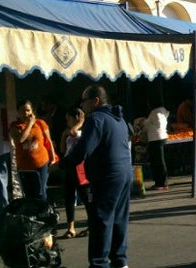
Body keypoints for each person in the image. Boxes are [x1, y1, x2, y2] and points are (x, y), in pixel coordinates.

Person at [59, 85, 133, 268]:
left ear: (95, 101)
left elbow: (83, 150)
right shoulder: (119, 118)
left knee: (101, 219)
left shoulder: (96, 119)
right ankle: (120, 261)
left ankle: (99, 263)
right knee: (118, 218)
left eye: (84, 101)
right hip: (124, 172)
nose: (82, 106)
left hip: (106, 175)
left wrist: (62, 164)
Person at [9, 100, 56, 202]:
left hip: (41, 163)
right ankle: (32, 215)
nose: (25, 113)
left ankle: (44, 214)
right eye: (22, 111)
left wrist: (52, 158)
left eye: (28, 110)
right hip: (24, 166)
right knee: (28, 193)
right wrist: (30, 124)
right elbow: (20, 139)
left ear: (32, 111)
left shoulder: (40, 123)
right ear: (18, 112)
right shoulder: (14, 126)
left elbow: (48, 141)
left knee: (41, 191)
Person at [59, 107, 90, 239]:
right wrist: (63, 135)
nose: (67, 122)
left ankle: (91, 224)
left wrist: (80, 122)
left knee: (85, 196)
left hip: (81, 167)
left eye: (69, 119)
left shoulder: (82, 131)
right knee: (69, 197)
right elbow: (62, 149)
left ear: (77, 117)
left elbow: (72, 132)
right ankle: (70, 227)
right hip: (69, 165)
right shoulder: (69, 132)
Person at [144, 99, 170, 191]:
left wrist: (145, 123)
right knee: (159, 161)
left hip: (156, 138)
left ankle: (161, 183)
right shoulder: (163, 110)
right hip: (161, 137)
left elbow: (159, 124)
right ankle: (161, 182)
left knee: (157, 161)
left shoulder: (156, 112)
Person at [0, 103, 11, 212]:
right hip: (2, 148)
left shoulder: (2, 109)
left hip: (0, 148)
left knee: (1, 181)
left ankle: (3, 209)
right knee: (1, 181)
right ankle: (3, 209)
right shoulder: (2, 108)